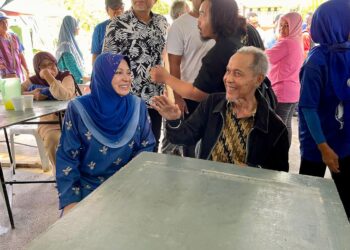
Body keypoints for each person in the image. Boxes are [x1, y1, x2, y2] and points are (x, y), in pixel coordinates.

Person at [151, 46, 289, 171]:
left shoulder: (275, 128)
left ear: (258, 80)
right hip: (207, 187)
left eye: (237, 73)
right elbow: (184, 138)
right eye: (228, 71)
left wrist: (253, 171)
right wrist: (174, 120)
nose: (228, 79)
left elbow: (277, 177)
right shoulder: (213, 103)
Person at [56, 53, 155, 215]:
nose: (127, 78)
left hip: (128, 186)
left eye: (128, 72)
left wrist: (134, 187)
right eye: (118, 72)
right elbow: (67, 157)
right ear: (102, 75)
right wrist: (70, 201)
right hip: (88, 188)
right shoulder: (79, 109)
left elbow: (146, 148)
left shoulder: (137, 106)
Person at [298, 0, 350, 220]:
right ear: (336, 23)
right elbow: (308, 108)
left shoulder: (347, 53)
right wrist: (323, 148)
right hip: (317, 145)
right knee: (308, 203)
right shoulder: (316, 62)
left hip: (344, 141)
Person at [103, 0, 168, 152]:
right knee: (126, 149)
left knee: (152, 146)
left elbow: (165, 58)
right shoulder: (116, 24)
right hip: (126, 102)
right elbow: (106, 66)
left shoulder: (162, 22)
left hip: (155, 101)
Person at [150, 0, 242, 103]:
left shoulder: (218, 53)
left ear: (218, 17)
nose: (198, 20)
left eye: (203, 14)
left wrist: (165, 77)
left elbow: (197, 93)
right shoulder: (233, 41)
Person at [162, 0, 215, 157]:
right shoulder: (180, 25)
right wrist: (177, 97)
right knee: (190, 146)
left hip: (217, 96)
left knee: (212, 145)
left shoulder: (220, 23)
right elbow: (173, 65)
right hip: (189, 96)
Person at [21, 51, 76, 172]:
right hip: (49, 123)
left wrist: (48, 76)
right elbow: (15, 92)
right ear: (37, 69)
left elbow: (64, 95)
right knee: (53, 139)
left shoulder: (66, 76)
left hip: (72, 121)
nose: (49, 68)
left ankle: (81, 171)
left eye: (51, 64)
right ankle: (61, 174)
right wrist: (32, 94)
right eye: (43, 66)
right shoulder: (34, 80)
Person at [265, 12, 303, 144]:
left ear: (294, 27)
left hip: (283, 91)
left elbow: (266, 57)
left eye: (286, 25)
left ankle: (278, 156)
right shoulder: (297, 41)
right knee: (285, 124)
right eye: (281, 25)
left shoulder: (287, 43)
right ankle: (282, 155)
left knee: (279, 126)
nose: (282, 29)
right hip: (293, 91)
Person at [91, 0, 124, 65]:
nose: (118, 11)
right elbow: (95, 56)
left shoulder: (132, 27)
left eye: (120, 7)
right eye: (114, 8)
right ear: (107, 10)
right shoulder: (99, 28)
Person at [0, 11, 29, 81]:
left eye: (6, 21)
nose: (5, 24)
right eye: (1, 22)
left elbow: (20, 54)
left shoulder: (14, 36)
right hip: (4, 76)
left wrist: (26, 69)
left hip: (18, 74)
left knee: (20, 90)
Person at [56, 15, 85, 84]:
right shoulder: (66, 46)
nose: (78, 29)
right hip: (71, 83)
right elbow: (72, 69)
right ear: (71, 27)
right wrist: (82, 80)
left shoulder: (69, 44)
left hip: (72, 82)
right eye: (76, 26)